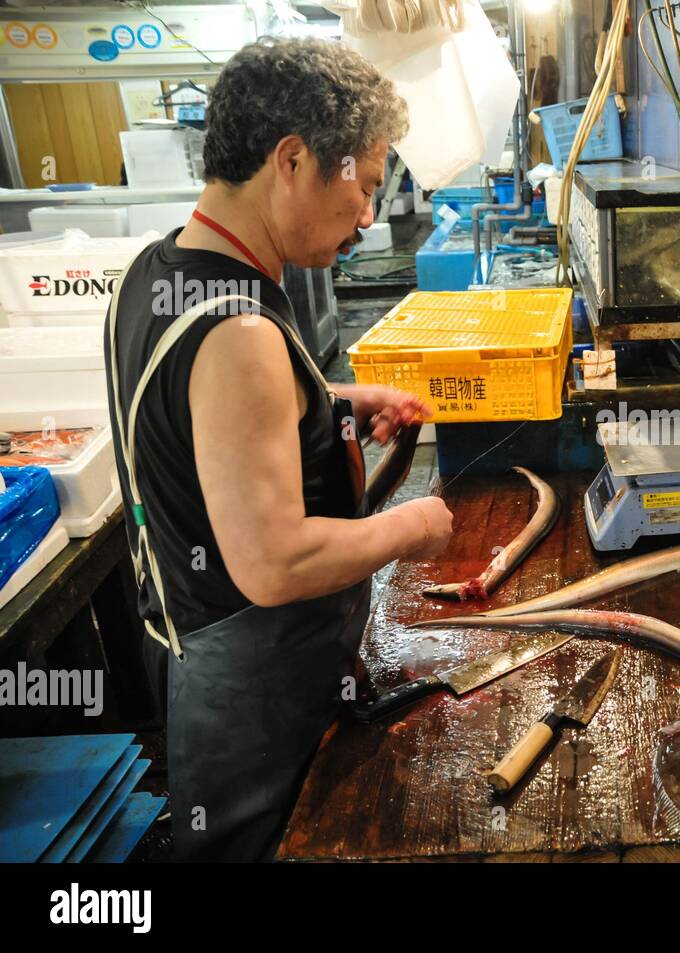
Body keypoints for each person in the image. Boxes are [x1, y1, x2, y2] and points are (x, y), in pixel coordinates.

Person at [103, 37, 455, 861]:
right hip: (254, 692)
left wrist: (325, 398)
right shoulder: (240, 332)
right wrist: (414, 527)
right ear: (293, 160)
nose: (368, 215)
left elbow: (200, 424)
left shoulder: (152, 274)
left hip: (198, 654)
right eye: (363, 186)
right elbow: (273, 561)